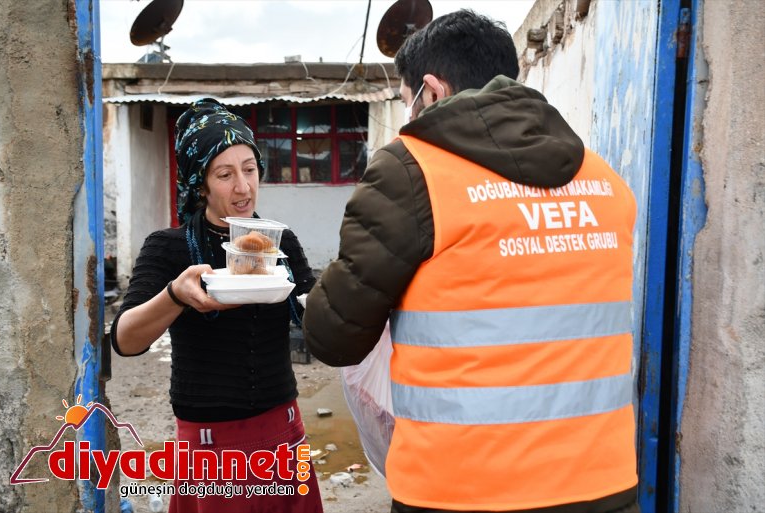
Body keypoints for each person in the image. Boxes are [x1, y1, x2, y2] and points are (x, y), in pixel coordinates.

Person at [303, 9, 639, 513]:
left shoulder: (410, 173)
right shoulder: (604, 181)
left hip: (460, 490)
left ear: (432, 92)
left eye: (407, 101)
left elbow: (333, 336)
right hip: (601, 486)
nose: (408, 117)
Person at [112, 98, 323, 513]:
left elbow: (315, 318)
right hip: (208, 445)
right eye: (225, 175)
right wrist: (174, 294)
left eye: (249, 169)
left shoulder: (279, 244)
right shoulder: (168, 248)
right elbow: (125, 340)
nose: (243, 187)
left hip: (283, 430)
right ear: (200, 183)